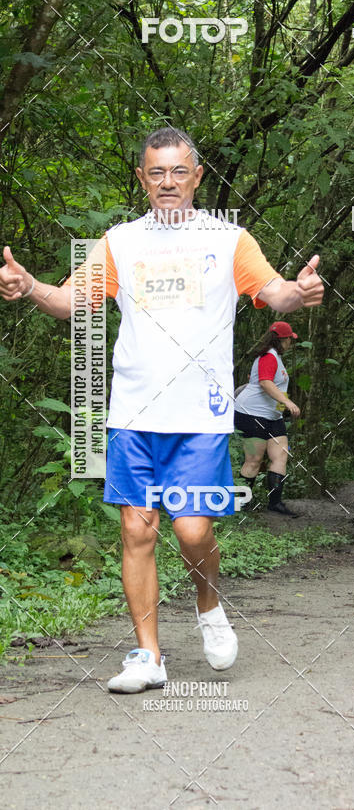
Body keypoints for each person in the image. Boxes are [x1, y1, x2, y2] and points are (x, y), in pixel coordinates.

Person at [0, 127, 324, 692]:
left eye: (179, 171)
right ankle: (148, 655)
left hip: (199, 417)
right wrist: (29, 285)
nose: (167, 182)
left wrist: (301, 291)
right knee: (137, 531)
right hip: (133, 414)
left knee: (194, 532)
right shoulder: (120, 242)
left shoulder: (229, 240)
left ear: (197, 176)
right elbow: (67, 302)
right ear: (143, 179)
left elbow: (277, 294)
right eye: (156, 172)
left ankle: (207, 604)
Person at [234, 321, 300, 517]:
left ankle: (275, 502)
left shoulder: (276, 358)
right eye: (290, 339)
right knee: (253, 460)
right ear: (284, 340)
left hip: (272, 416)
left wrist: (282, 409)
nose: (291, 343)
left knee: (280, 456)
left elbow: (279, 389)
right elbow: (265, 382)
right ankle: (241, 503)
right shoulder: (268, 357)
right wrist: (287, 403)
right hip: (251, 413)